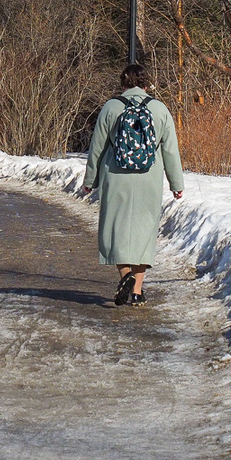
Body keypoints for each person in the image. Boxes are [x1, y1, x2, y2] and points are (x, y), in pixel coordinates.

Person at [82, 63, 184, 307]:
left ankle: (125, 275)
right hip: (148, 178)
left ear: (123, 84)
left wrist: (89, 180)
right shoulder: (160, 109)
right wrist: (176, 183)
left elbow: (97, 147)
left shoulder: (111, 107)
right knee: (144, 233)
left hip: (115, 177)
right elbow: (170, 150)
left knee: (116, 229)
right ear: (146, 84)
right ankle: (137, 291)